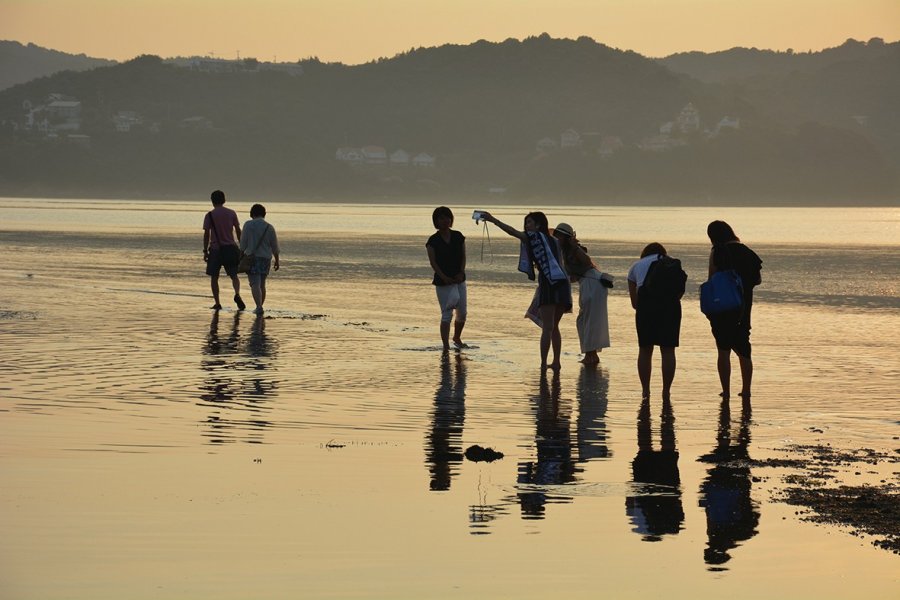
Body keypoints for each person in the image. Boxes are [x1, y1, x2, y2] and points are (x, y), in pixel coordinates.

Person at [480, 211, 572, 370]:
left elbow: (511, 231)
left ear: (538, 225)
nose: (526, 226)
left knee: (548, 327)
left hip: (549, 284)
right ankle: (556, 362)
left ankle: (543, 364)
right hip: (563, 284)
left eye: (529, 223)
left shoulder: (534, 238)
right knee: (554, 327)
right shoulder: (554, 241)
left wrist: (492, 219)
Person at [706, 220, 763, 400]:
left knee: (723, 349)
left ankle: (726, 391)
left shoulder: (718, 251)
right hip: (743, 307)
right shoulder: (748, 252)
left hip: (722, 307)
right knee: (744, 348)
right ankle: (746, 390)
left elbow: (711, 278)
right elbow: (758, 280)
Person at [627, 242, 686, 401]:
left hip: (646, 307)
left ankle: (645, 390)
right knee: (668, 351)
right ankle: (666, 391)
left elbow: (635, 304)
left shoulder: (636, 266)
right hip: (671, 307)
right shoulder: (673, 264)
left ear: (644, 253)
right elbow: (679, 292)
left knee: (645, 350)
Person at [553, 222, 611, 365]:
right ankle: (591, 354)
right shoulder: (565, 252)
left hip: (592, 283)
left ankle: (591, 356)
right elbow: (573, 275)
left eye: (559, 236)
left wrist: (574, 247)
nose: (556, 239)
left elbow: (586, 262)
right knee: (584, 321)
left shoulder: (575, 250)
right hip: (588, 284)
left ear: (565, 237)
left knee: (588, 321)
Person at [425, 206, 467, 351]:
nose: (445, 221)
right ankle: (445, 345)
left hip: (459, 279)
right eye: (441, 218)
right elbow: (433, 263)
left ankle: (457, 337)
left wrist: (461, 272)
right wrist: (444, 277)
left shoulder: (458, 236)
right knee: (447, 314)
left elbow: (463, 256)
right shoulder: (433, 241)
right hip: (443, 282)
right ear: (436, 221)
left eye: (447, 217)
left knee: (462, 313)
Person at [203, 190, 244, 310]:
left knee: (214, 277)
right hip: (230, 248)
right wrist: (242, 247)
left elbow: (206, 234)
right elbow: (238, 230)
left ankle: (217, 302)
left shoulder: (209, 215)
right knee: (234, 275)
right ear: (224, 200)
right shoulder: (231, 213)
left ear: (212, 201)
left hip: (215, 249)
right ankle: (237, 293)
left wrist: (205, 250)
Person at [240, 203, 280, 315]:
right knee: (262, 284)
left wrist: (240, 256)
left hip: (252, 258)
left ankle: (258, 307)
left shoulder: (248, 225)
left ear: (252, 214)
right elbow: (275, 246)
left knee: (254, 284)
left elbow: (243, 244)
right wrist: (277, 260)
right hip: (266, 258)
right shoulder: (269, 227)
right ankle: (260, 306)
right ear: (264, 214)